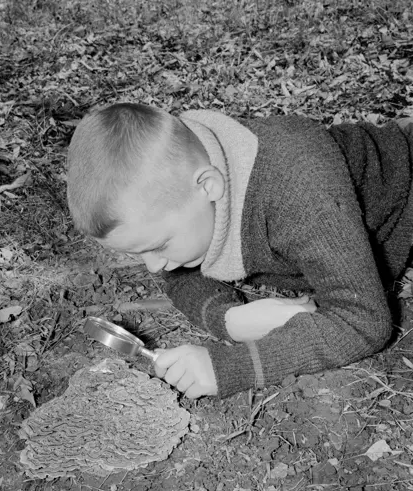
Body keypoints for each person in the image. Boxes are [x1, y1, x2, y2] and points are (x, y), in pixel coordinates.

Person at [67, 103, 413, 399]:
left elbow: (363, 320)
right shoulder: (181, 190)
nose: (154, 266)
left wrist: (232, 367)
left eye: (158, 247)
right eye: (138, 254)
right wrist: (229, 321)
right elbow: (177, 276)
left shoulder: (298, 185)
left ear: (208, 185)